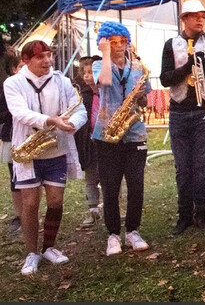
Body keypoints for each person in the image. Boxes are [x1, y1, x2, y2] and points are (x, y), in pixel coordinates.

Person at [5, 40, 87, 275]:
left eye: (49, 55)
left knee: (56, 202)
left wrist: (74, 123)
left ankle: (49, 246)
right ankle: (32, 253)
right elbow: (19, 112)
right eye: (40, 57)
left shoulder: (61, 81)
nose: (47, 61)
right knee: (30, 204)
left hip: (56, 150)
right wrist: (50, 120)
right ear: (27, 61)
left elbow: (78, 109)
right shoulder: (14, 83)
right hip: (29, 152)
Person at [160, 0, 205, 235]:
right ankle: (184, 214)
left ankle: (202, 212)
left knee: (201, 165)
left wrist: (203, 63)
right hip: (179, 110)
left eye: (202, 16)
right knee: (182, 167)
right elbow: (165, 78)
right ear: (184, 19)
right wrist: (188, 66)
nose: (200, 19)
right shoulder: (171, 44)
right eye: (194, 15)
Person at [92, 22, 152, 256]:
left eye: (122, 41)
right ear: (104, 43)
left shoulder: (138, 68)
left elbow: (145, 102)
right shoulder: (99, 64)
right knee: (110, 186)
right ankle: (113, 234)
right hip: (107, 134)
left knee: (136, 184)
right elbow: (105, 82)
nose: (118, 46)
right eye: (112, 42)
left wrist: (138, 97)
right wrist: (106, 53)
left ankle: (133, 231)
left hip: (134, 132)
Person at [74, 55, 102, 228]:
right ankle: (92, 210)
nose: (87, 76)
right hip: (88, 143)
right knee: (90, 178)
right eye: (85, 73)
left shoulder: (106, 92)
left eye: (91, 72)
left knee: (111, 177)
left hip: (107, 141)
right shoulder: (82, 96)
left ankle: (116, 208)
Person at [1, 54, 22, 235]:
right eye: (21, 66)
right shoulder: (7, 87)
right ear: (14, 69)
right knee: (15, 177)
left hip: (34, 136)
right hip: (12, 135)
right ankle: (19, 215)